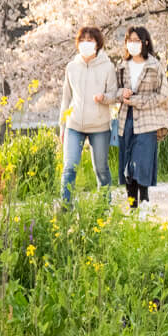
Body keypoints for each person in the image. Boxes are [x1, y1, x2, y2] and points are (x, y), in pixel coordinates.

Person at [58, 26, 116, 205]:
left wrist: (104, 98)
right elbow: (66, 98)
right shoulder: (72, 67)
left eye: (90, 41)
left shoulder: (107, 66)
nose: (85, 44)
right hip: (74, 125)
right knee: (69, 168)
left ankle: (104, 209)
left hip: (99, 127)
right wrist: (62, 126)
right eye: (82, 40)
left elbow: (114, 95)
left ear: (98, 44)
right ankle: (65, 210)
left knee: (101, 170)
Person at [114, 26, 168, 210]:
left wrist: (137, 101)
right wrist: (122, 93)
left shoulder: (155, 66)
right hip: (125, 120)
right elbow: (114, 90)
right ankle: (132, 206)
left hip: (148, 120)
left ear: (145, 42)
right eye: (130, 40)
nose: (133, 44)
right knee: (128, 163)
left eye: (137, 40)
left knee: (143, 162)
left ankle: (144, 201)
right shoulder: (121, 66)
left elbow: (162, 95)